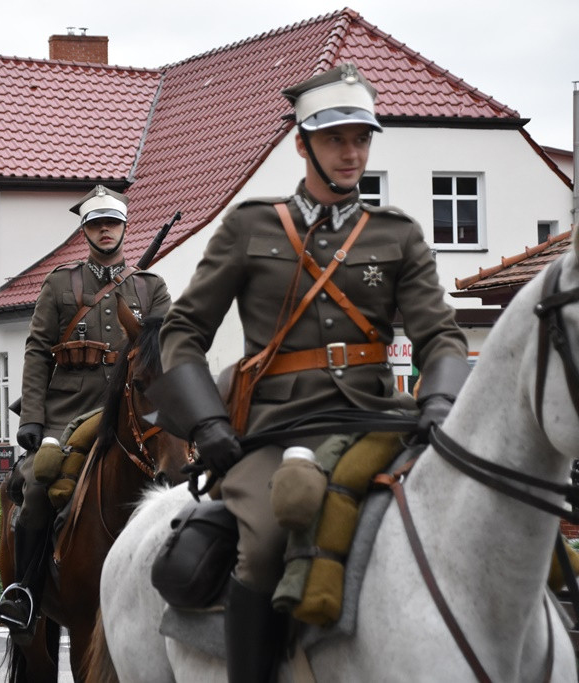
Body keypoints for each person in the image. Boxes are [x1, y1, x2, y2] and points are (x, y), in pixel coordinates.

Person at [148, 63, 471, 682]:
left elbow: (442, 335)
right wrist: (208, 423)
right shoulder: (251, 227)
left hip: (379, 421)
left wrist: (440, 402)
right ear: (302, 144)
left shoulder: (398, 235)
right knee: (268, 540)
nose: (351, 154)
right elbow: (184, 332)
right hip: (275, 430)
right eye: (334, 139)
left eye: (361, 139)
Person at [0, 185, 172, 633]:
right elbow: (37, 350)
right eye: (96, 224)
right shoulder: (60, 282)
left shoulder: (151, 287)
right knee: (36, 490)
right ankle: (25, 593)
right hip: (66, 410)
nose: (105, 230)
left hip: (129, 410)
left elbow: (167, 351)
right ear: (85, 230)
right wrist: (33, 416)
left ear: (124, 227)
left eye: (112, 222)